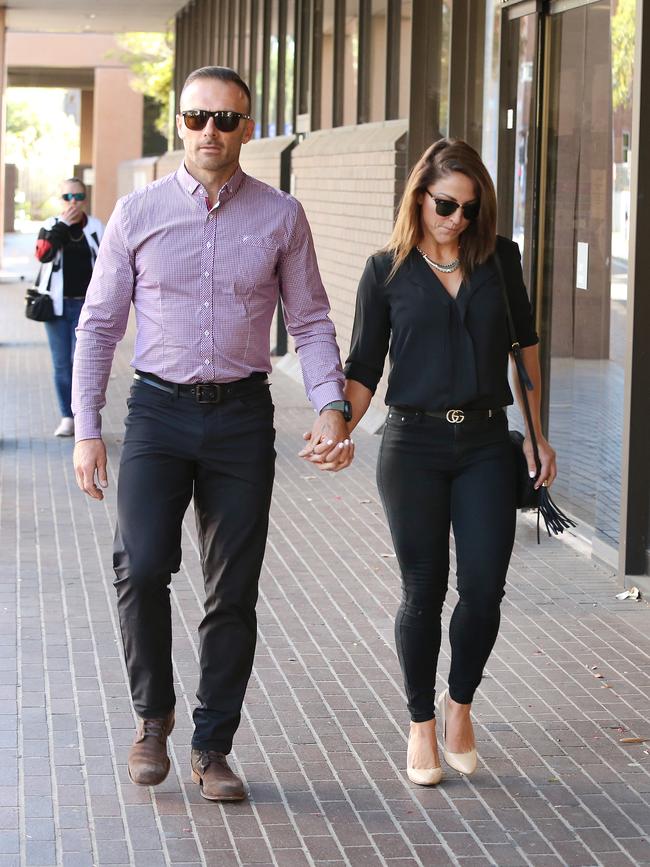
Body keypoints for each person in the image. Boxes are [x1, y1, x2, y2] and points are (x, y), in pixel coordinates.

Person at [72, 66, 354, 802]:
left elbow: (313, 320)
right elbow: (99, 326)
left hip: (240, 417)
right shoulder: (136, 215)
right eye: (197, 118)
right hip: (157, 413)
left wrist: (331, 405)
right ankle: (152, 713)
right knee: (140, 564)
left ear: (247, 129)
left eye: (226, 120)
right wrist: (87, 428)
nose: (209, 132)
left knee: (233, 589)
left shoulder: (281, 215)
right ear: (181, 125)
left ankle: (212, 744)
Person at [309, 138, 556, 785]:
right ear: (419, 197)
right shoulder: (385, 270)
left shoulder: (500, 261)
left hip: (483, 444)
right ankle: (420, 721)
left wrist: (536, 434)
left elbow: (524, 348)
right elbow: (364, 368)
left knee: (482, 589)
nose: (457, 220)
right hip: (411, 445)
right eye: (446, 205)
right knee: (424, 592)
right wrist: (339, 425)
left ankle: (460, 703)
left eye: (471, 210)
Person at [35, 178, 103, 437]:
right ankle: (67, 417)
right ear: (60, 199)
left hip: (88, 306)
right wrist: (63, 224)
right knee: (62, 364)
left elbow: (109, 261)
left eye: (77, 197)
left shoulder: (96, 226)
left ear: (85, 199)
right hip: (57, 307)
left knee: (84, 363)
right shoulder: (51, 226)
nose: (72, 202)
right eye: (67, 197)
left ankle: (84, 418)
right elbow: (43, 255)